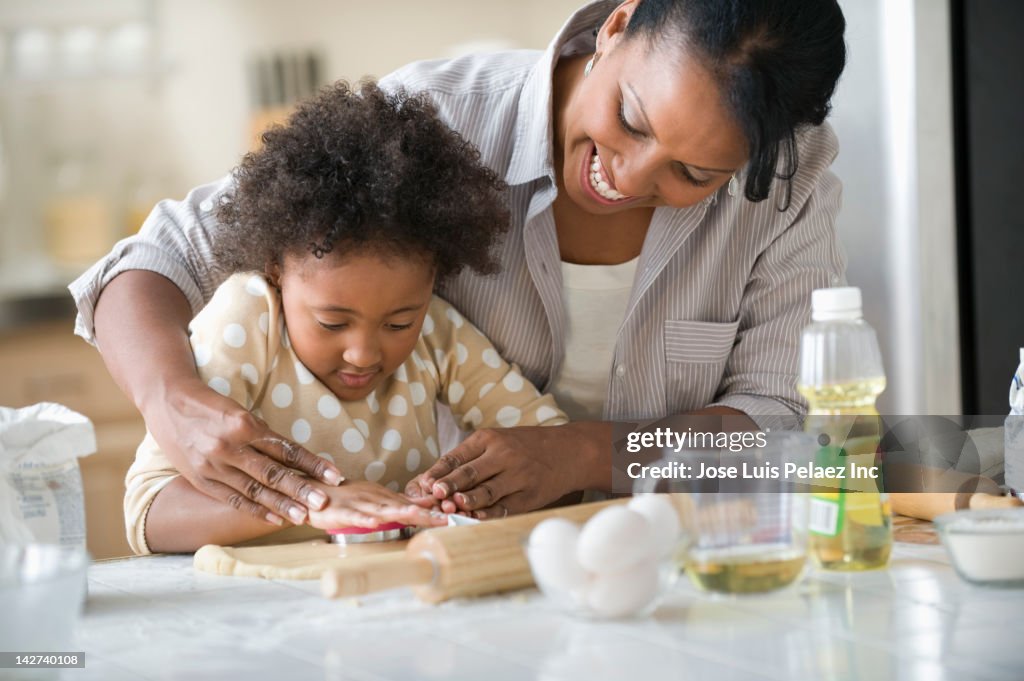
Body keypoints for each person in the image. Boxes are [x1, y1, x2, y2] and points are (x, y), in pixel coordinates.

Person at [72, 0, 847, 524]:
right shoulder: (437, 119)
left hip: (677, 572)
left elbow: (785, 435)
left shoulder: (783, 192)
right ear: (615, 26)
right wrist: (169, 396)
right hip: (446, 573)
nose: (631, 180)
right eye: (631, 119)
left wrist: (585, 452)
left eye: (694, 175)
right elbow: (158, 256)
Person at [123, 82, 568, 554]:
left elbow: (547, 449)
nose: (363, 353)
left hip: (394, 593)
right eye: (333, 323)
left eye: (398, 323)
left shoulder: (437, 333)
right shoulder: (249, 320)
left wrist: (468, 489)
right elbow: (150, 514)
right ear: (276, 272)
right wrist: (311, 504)